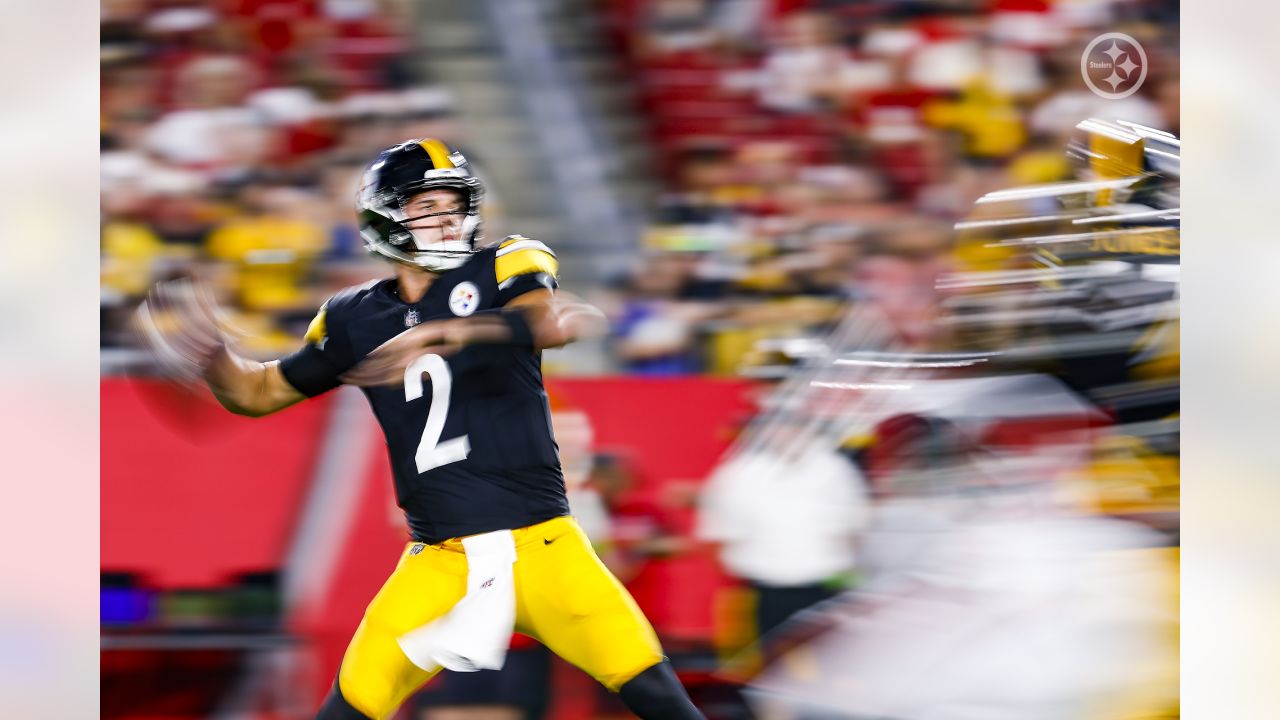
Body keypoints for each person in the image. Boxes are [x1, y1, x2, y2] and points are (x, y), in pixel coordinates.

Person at [136, 138, 706, 720]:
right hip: (438, 560)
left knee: (660, 698)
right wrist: (213, 357)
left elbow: (562, 320)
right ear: (384, 217)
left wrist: (453, 333)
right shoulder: (354, 316)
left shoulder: (505, 261)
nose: (444, 218)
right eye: (424, 205)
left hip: (545, 546)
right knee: (348, 708)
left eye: (452, 203)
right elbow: (259, 394)